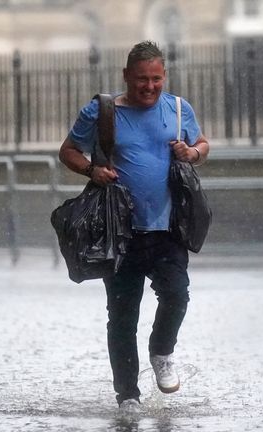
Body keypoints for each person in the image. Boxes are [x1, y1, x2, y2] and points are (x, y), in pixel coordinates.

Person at [58, 40, 210, 414]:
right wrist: (93, 170)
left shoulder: (177, 110)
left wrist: (192, 153)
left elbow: (203, 145)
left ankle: (161, 351)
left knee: (177, 295)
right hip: (120, 232)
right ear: (126, 76)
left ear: (164, 77)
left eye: (156, 79)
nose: (149, 86)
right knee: (123, 317)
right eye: (142, 79)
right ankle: (127, 395)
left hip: (167, 229)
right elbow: (68, 151)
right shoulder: (102, 111)